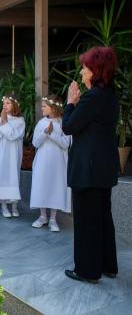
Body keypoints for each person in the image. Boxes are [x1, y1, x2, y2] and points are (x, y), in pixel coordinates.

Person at [63, 46, 119, 284]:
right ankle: (109, 265)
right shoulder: (109, 96)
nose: (82, 70)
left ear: (95, 71)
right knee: (103, 218)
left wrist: (70, 103)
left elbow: (68, 126)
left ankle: (87, 270)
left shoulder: (91, 98)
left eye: (85, 66)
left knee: (87, 221)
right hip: (104, 168)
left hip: (88, 169)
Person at [31, 95, 72, 232]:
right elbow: (35, 142)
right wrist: (44, 133)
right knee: (42, 184)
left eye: (44, 106)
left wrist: (52, 134)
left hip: (58, 161)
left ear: (53, 108)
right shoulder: (41, 123)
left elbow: (66, 143)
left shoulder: (63, 123)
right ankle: (43, 216)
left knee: (55, 186)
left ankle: (53, 218)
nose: (41, 108)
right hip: (43, 159)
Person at [0, 94, 25, 218]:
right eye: (4, 103)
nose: (5, 105)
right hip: (2, 153)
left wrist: (5, 123)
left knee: (13, 175)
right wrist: (2, 121)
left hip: (13, 153)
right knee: (2, 176)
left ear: (14, 105)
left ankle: (14, 205)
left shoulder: (20, 120)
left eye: (8, 103)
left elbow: (13, 135)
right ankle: (3, 205)